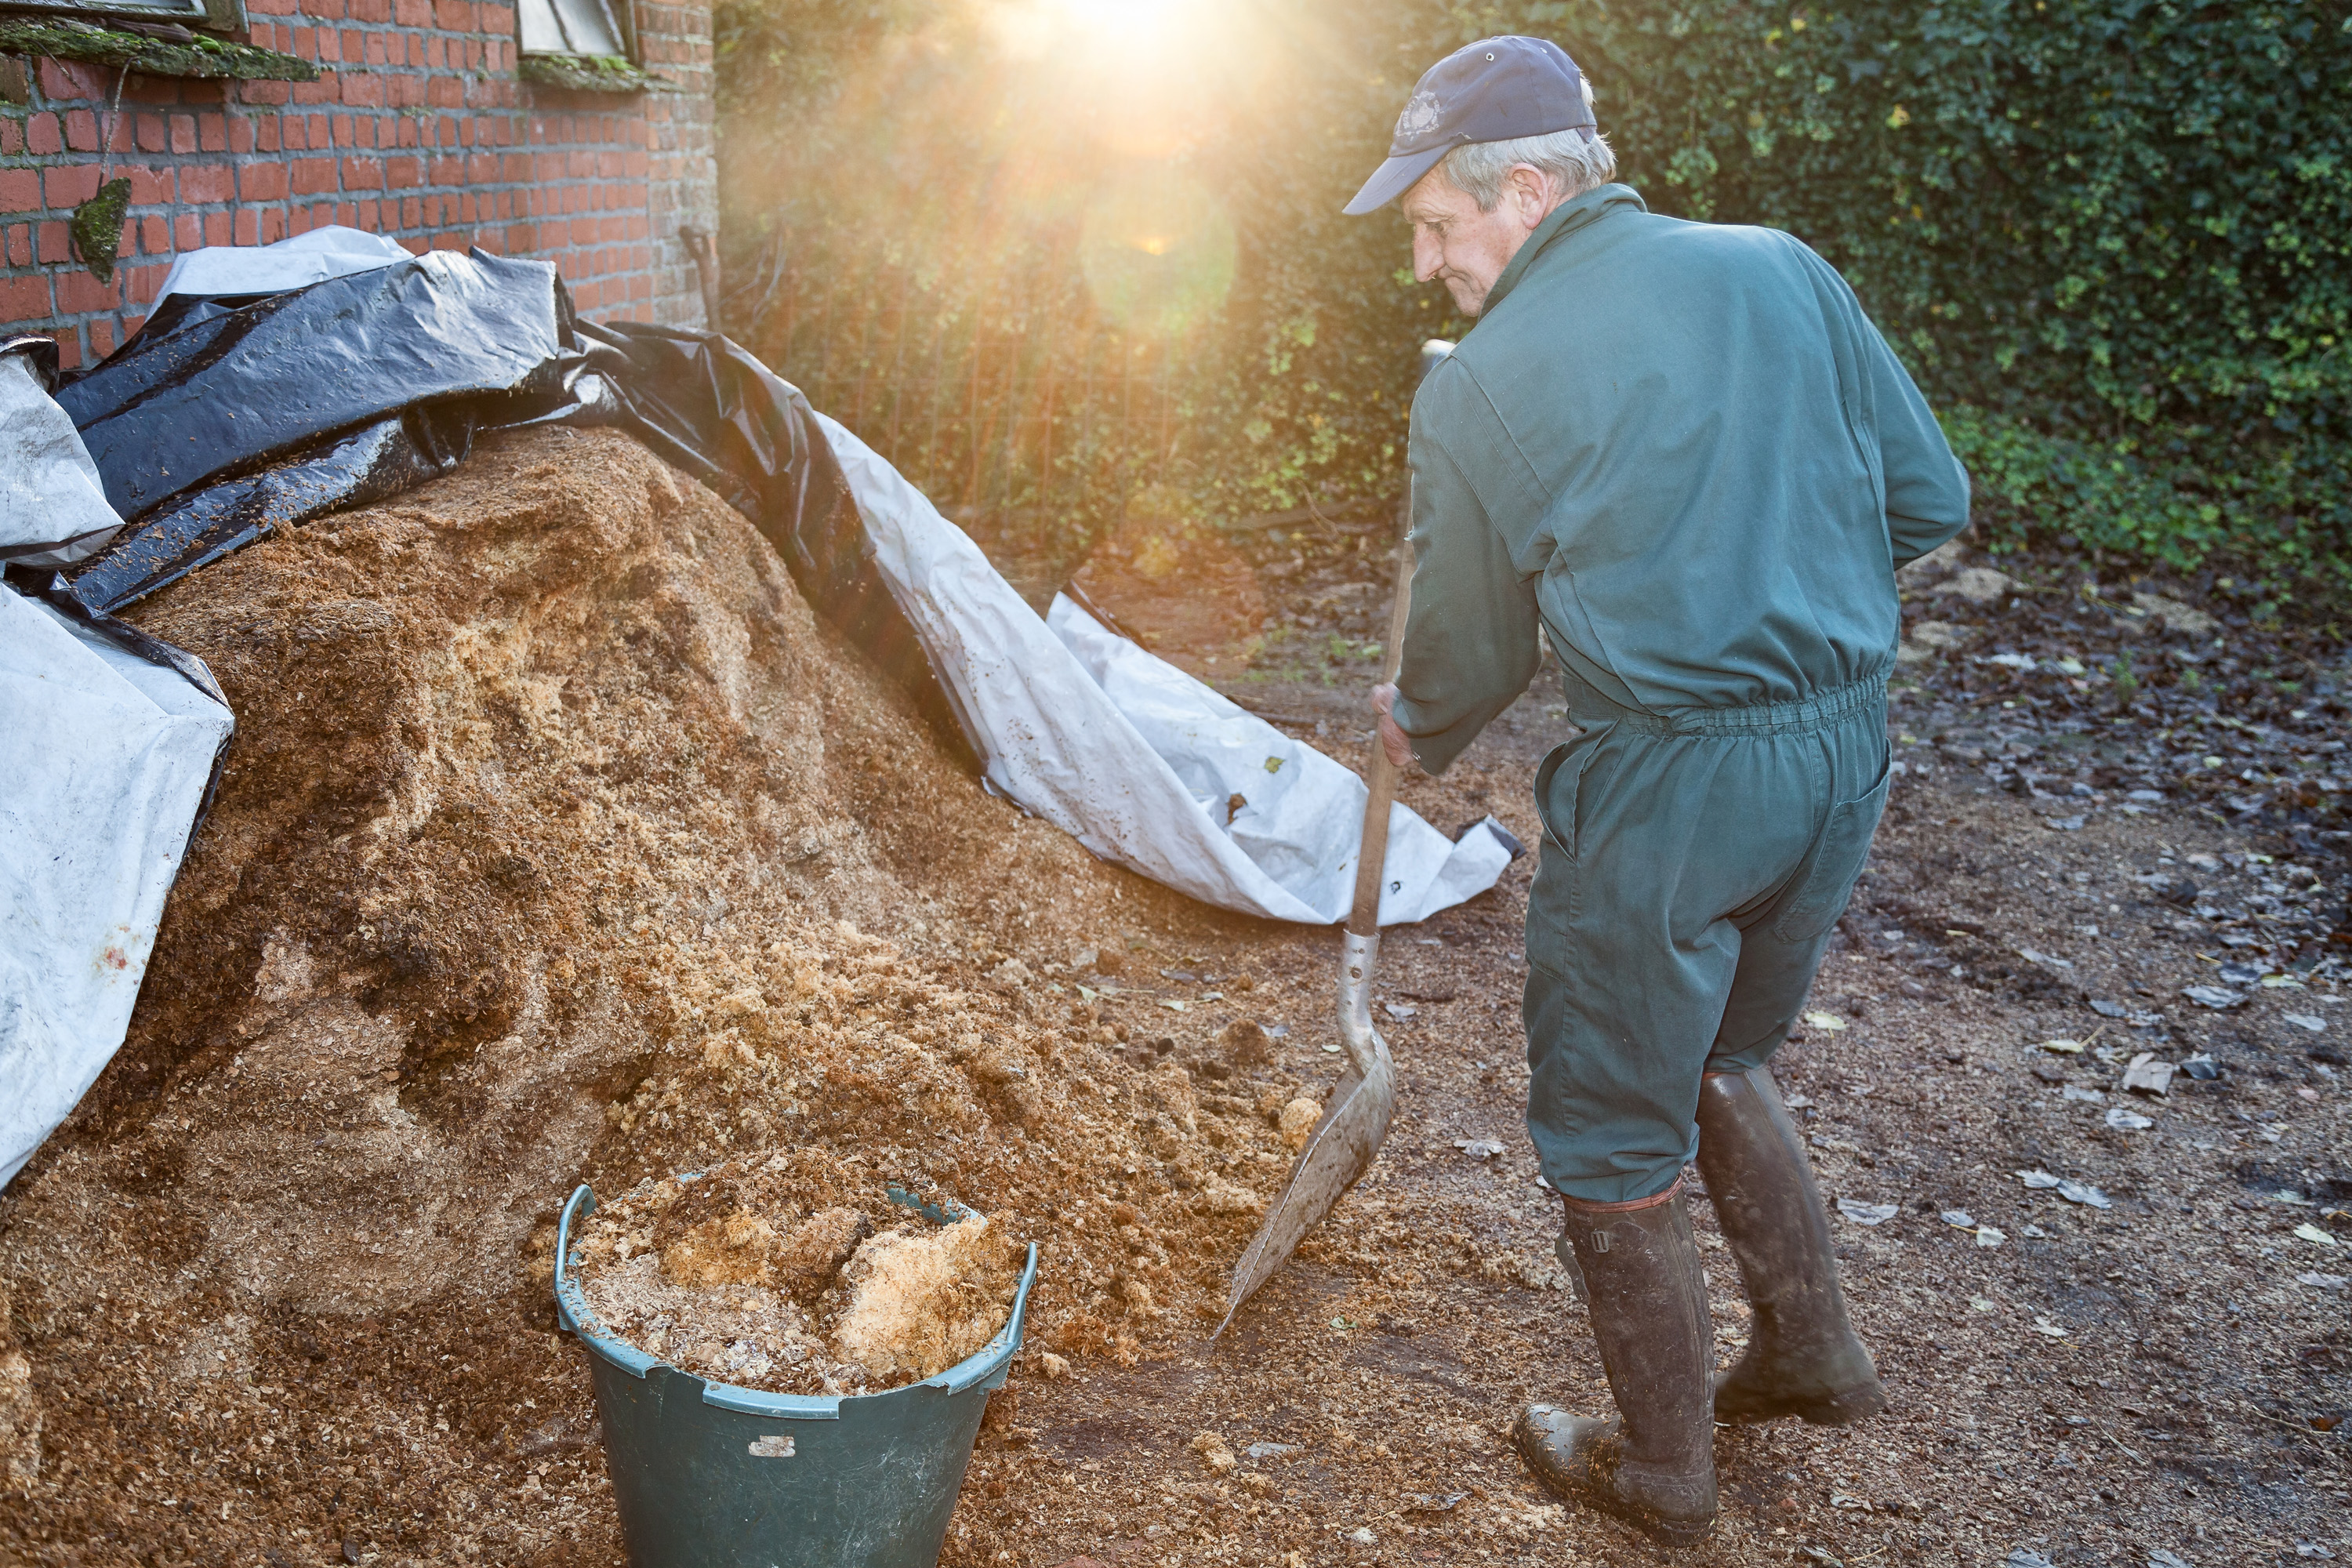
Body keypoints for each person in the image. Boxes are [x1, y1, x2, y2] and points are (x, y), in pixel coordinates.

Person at [1343, 34, 1972, 1548]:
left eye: (1437, 224)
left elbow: (1473, 658)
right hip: (1841, 756)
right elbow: (1928, 499)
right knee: (1727, 1053)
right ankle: (1813, 1356)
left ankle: (1663, 1478)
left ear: (1535, 188)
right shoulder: (1781, 264)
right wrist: (1775, 591)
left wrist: (1413, 722)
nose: (1425, 263)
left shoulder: (1480, 388)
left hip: (1674, 784)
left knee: (1615, 1125)